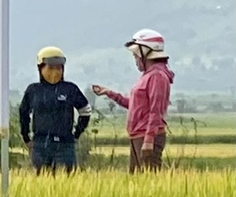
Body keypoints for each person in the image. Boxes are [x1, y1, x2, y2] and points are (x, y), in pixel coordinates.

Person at [93, 29, 173, 173]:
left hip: (147, 137)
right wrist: (110, 93)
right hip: (138, 135)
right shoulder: (147, 75)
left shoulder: (157, 76)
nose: (135, 60)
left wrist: (148, 140)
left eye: (136, 56)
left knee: (148, 179)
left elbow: (156, 111)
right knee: (136, 180)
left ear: (146, 53)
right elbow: (137, 106)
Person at [17, 47, 90, 173]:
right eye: (50, 68)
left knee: (67, 184)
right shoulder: (33, 90)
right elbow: (23, 113)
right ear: (40, 68)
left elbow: (85, 110)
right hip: (40, 144)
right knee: (42, 184)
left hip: (65, 144)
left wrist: (76, 134)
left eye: (58, 68)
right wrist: (26, 138)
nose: (55, 72)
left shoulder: (70, 89)